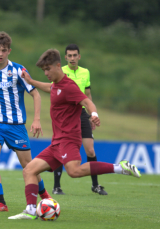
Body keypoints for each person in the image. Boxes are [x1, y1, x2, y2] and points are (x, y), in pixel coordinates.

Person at [8, 49, 141, 220]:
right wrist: (31, 80)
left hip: (69, 139)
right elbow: (50, 88)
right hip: (56, 142)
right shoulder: (56, 84)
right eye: (44, 71)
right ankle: (31, 210)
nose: (46, 73)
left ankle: (120, 167)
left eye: (48, 69)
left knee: (73, 171)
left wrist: (94, 115)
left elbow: (87, 101)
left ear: (58, 66)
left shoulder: (69, 86)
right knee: (29, 171)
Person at [0, 31, 51, 212]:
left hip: (16, 126)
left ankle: (45, 195)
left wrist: (37, 119)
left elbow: (36, 94)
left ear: (9, 51)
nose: (0, 53)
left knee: (28, 166)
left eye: (4, 50)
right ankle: (1, 203)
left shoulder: (18, 71)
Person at [52, 44, 107, 196]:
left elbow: (87, 95)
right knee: (61, 149)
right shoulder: (60, 71)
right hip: (66, 115)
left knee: (90, 149)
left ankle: (95, 185)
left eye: (75, 55)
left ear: (79, 56)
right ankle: (56, 186)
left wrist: (91, 115)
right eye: (69, 56)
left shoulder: (85, 72)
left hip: (82, 113)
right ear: (65, 57)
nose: (72, 58)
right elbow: (53, 92)